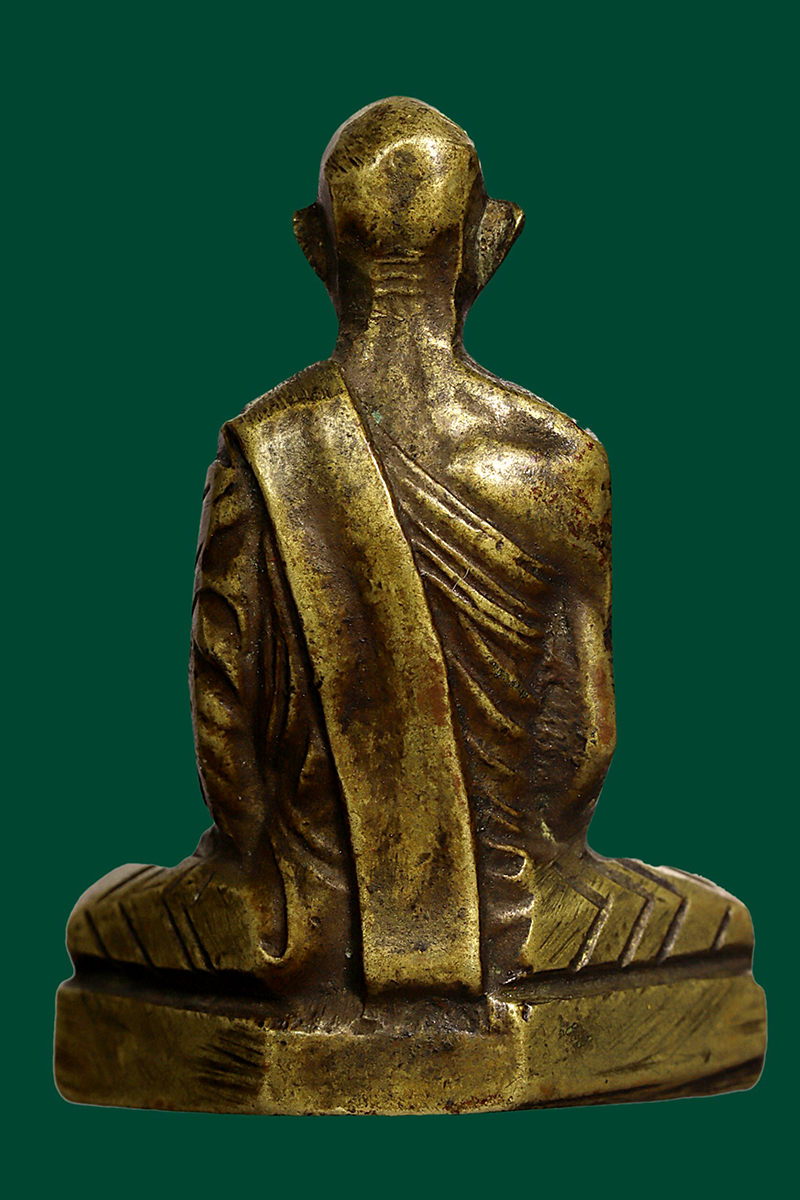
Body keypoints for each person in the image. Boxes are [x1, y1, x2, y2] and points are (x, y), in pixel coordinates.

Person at [67, 98, 753, 998]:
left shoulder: (264, 448)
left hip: (299, 917)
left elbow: (225, 738)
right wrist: (532, 862)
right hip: (521, 912)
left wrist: (275, 864)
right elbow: (587, 739)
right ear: (489, 244)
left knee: (107, 916)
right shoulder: (561, 461)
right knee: (711, 921)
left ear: (314, 246)